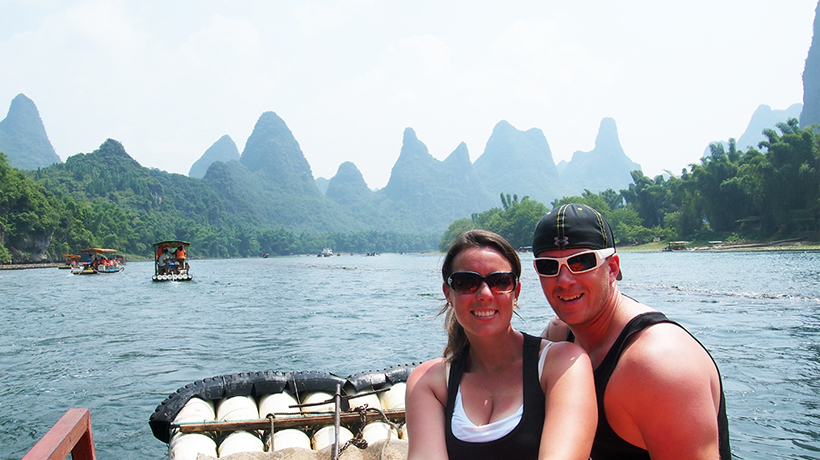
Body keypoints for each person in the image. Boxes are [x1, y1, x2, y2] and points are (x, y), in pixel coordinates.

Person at [531, 203, 731, 460]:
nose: (565, 280)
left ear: (612, 268)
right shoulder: (558, 335)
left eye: (581, 262)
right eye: (549, 266)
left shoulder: (658, 366)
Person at [405, 229, 596, 460]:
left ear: (515, 292)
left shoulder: (561, 364)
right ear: (448, 293)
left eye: (499, 281)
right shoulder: (429, 382)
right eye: (466, 282)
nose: (484, 294)